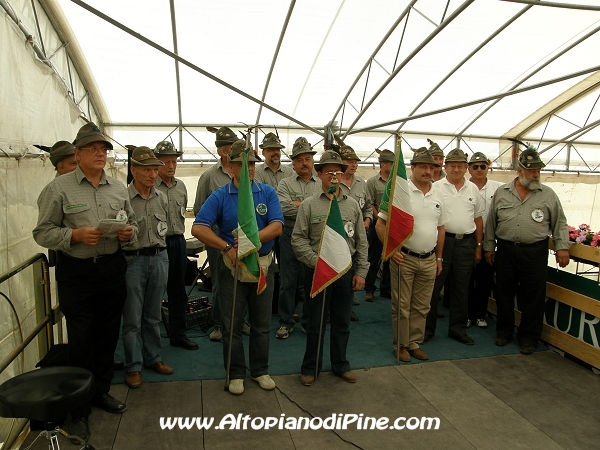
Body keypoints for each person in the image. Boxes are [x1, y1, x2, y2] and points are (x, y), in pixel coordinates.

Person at [33, 123, 136, 443]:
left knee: (107, 335)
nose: (100, 154)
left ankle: (100, 392)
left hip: (111, 269)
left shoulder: (119, 188)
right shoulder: (58, 189)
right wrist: (73, 236)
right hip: (76, 272)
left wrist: (127, 233)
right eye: (92, 149)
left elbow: (130, 223)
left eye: (103, 149)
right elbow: (42, 232)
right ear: (76, 154)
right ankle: (78, 411)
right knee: (81, 340)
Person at [192, 139, 283, 395]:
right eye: (242, 164)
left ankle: (260, 370)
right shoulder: (220, 195)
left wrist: (250, 241)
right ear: (230, 167)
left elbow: (277, 225)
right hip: (232, 268)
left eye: (252, 163)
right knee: (232, 325)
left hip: (263, 266)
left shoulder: (267, 192)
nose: (249, 168)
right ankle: (235, 373)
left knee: (262, 323)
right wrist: (225, 247)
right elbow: (198, 227)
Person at [292, 150, 368, 387]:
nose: (333, 176)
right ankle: (310, 368)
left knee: (342, 323)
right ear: (319, 175)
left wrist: (361, 272)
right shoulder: (309, 205)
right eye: (328, 172)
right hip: (317, 273)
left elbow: (361, 242)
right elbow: (298, 239)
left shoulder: (352, 206)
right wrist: (318, 263)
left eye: (337, 172)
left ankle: (340, 365)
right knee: (315, 323)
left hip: (345, 272)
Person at [484, 146, 569, 355]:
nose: (536, 174)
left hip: (535, 252)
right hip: (506, 250)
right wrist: (488, 247)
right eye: (531, 170)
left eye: (538, 170)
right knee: (504, 293)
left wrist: (562, 247)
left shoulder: (548, 195)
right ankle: (504, 332)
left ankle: (529, 338)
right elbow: (491, 223)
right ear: (519, 170)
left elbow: (560, 223)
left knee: (534, 296)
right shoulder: (502, 192)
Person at [376, 150, 447, 361]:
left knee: (422, 306)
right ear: (412, 168)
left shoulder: (438, 194)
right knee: (402, 306)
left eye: (431, 167)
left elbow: (441, 228)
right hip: (404, 258)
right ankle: (401, 346)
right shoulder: (400, 192)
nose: (427, 171)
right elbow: (381, 224)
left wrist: (439, 258)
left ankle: (415, 343)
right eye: (422, 167)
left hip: (429, 259)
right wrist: (392, 249)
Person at [122, 147, 173, 389]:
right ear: (133, 171)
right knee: (132, 317)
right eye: (147, 170)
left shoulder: (161, 197)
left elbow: (168, 227)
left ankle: (153, 358)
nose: (153, 175)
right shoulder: (123, 198)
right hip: (133, 260)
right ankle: (133, 365)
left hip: (159, 257)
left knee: (153, 315)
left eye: (155, 169)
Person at [424, 148, 484, 345]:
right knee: (434, 287)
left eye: (460, 166)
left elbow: (478, 218)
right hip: (443, 242)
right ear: (445, 167)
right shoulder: (436, 187)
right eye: (452, 166)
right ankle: (427, 330)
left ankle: (457, 329)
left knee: (461, 289)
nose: (456, 169)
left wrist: (478, 246)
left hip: (466, 243)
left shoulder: (473, 189)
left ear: (466, 168)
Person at [193, 126, 236, 341]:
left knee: (243, 280)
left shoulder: (245, 173)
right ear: (221, 151)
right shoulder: (209, 176)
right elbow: (200, 210)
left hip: (242, 240)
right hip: (218, 241)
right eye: (229, 147)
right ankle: (219, 325)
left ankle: (240, 321)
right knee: (220, 282)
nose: (232, 151)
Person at [154, 141, 199, 351]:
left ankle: (178, 334)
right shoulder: (149, 185)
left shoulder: (180, 186)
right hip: (157, 244)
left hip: (178, 241)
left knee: (178, 290)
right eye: (166, 162)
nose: (171, 166)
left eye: (174, 161)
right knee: (154, 291)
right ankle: (151, 339)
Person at [276, 137, 320, 339]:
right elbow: (282, 208)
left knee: (311, 281)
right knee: (288, 282)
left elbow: (327, 208)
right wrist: (311, 207)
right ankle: (285, 322)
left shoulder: (321, 183)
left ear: (312, 161)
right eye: (300, 159)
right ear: (293, 164)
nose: (304, 163)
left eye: (308, 158)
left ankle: (308, 321)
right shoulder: (284, 183)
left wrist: (298, 205)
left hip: (314, 240)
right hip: (289, 237)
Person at [466, 152, 503, 328]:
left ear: (488, 167)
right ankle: (466, 314)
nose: (479, 170)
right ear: (469, 169)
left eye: (483, 166)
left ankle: (480, 314)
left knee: (484, 279)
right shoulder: (463, 186)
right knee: (465, 279)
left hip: (488, 241)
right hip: (466, 239)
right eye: (475, 166)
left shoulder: (499, 188)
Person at [339, 145, 372, 317]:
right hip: (337, 236)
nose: (353, 165)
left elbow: (367, 206)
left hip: (357, 235)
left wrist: (367, 220)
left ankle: (347, 306)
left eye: (355, 162)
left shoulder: (361, 183)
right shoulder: (334, 181)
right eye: (349, 162)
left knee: (352, 270)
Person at [364, 149, 394, 301]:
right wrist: (381, 220)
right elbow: (370, 204)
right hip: (377, 225)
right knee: (373, 257)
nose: (394, 165)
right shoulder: (372, 182)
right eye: (391, 163)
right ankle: (369, 288)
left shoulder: (397, 182)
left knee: (390, 258)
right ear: (383, 164)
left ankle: (386, 288)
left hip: (394, 227)